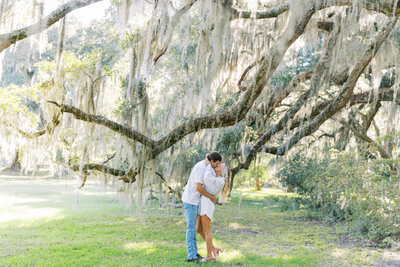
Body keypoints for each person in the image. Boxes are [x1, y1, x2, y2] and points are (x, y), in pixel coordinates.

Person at [181, 152, 218, 263]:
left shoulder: (206, 166)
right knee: (191, 228)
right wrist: (210, 196)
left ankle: (194, 252)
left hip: (195, 201)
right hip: (190, 200)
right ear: (212, 161)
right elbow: (198, 187)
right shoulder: (200, 167)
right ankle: (191, 256)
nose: (216, 166)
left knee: (194, 228)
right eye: (217, 163)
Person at [197, 153, 225, 262]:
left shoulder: (220, 180)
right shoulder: (214, 176)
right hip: (202, 202)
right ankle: (214, 248)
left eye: (220, 165)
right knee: (198, 229)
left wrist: (209, 164)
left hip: (206, 204)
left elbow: (206, 178)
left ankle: (209, 255)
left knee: (207, 231)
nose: (218, 165)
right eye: (217, 164)